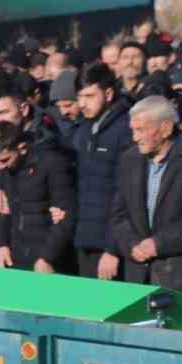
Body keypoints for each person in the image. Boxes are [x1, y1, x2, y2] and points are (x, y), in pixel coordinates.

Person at [110, 95, 182, 289]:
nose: (135, 137)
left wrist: (158, 244)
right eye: (133, 130)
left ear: (166, 128)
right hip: (137, 273)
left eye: (141, 130)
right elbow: (119, 214)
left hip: (177, 275)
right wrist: (132, 244)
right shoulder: (129, 159)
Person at [0, 121, 76, 274]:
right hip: (15, 256)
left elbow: (66, 215)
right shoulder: (8, 169)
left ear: (22, 148)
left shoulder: (52, 164)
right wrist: (2, 244)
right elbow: (6, 209)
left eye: (5, 160)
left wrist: (47, 257)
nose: (0, 167)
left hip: (47, 258)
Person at [69, 62, 132, 280]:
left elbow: (125, 195)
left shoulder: (125, 130)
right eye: (80, 97)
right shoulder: (84, 129)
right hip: (85, 239)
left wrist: (112, 248)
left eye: (89, 96)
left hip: (111, 246)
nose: (82, 103)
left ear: (108, 93)